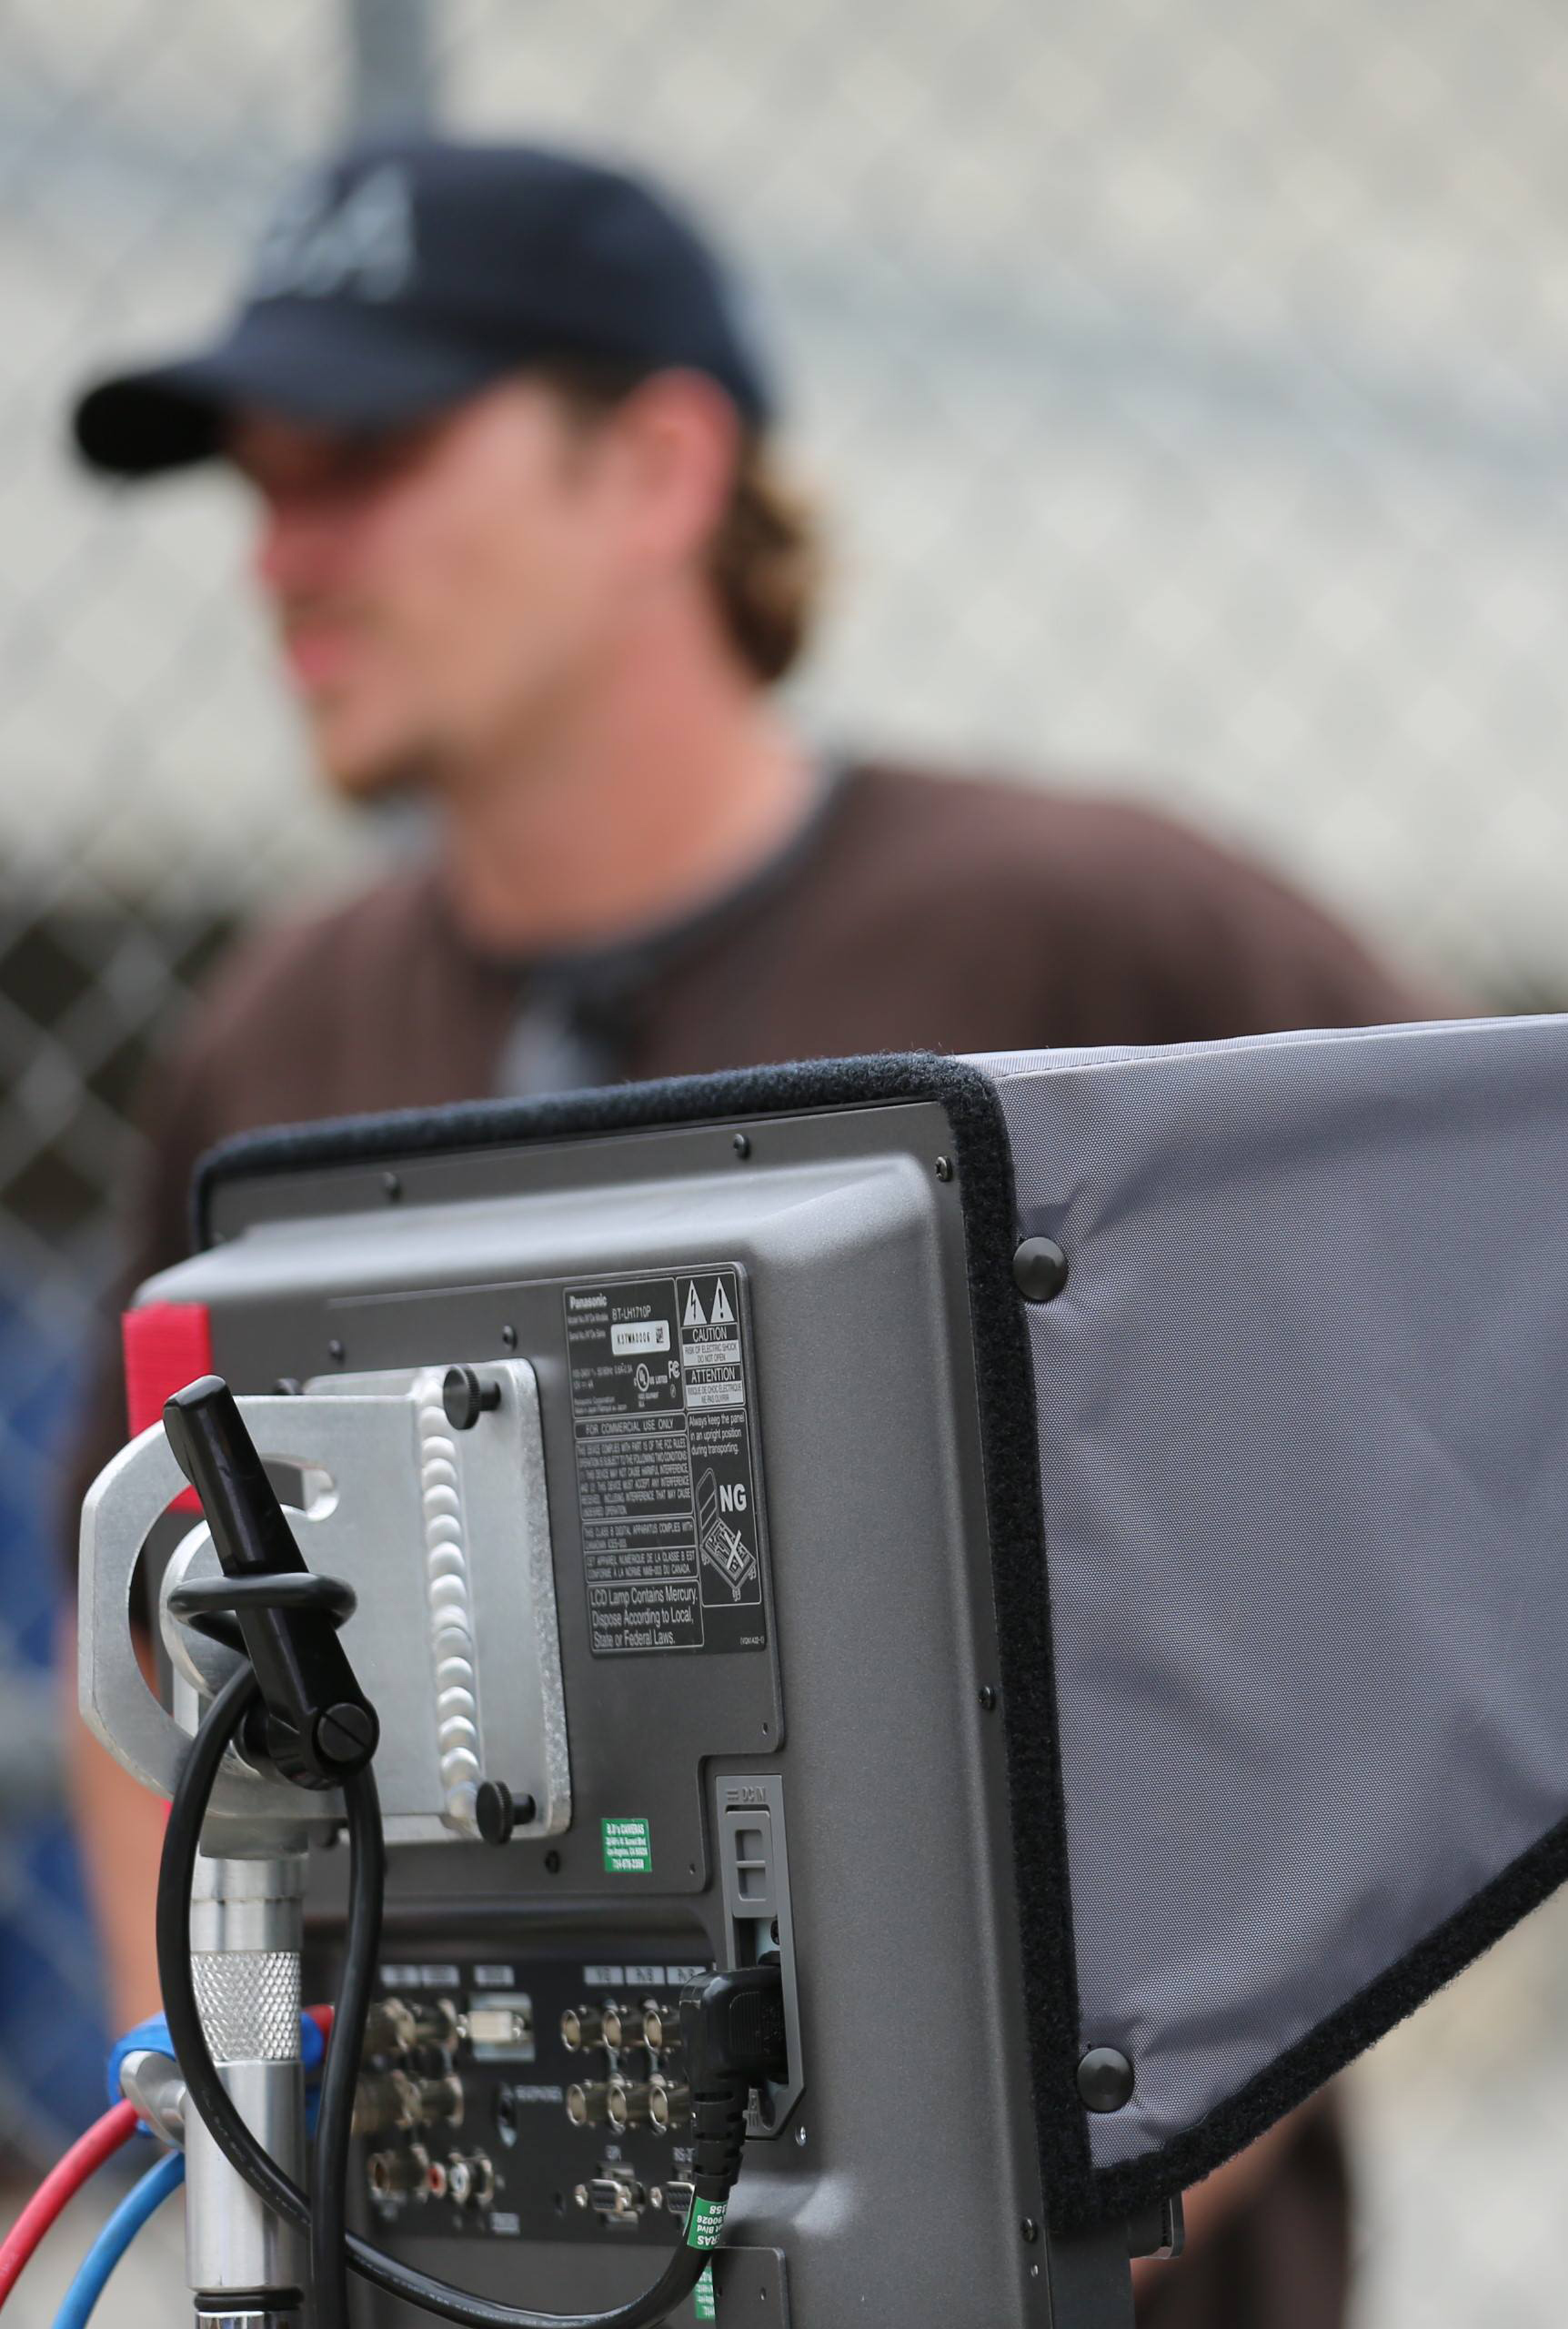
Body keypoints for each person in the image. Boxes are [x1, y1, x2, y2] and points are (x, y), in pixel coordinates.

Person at [56, 136, 1412, 2328]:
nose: (283, 554)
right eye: (261, 483)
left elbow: (1483, 1515)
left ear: (662, 466)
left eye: (371, 457)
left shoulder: (1099, 939)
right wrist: (273, 2165)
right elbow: (140, 1643)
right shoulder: (274, 1041)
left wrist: (1110, 2141)